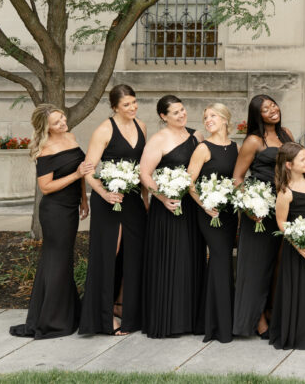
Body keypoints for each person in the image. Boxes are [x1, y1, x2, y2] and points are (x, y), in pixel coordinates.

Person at [10, 105, 92, 338]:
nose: (63, 123)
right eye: (57, 122)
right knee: (56, 262)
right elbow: (46, 187)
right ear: (46, 127)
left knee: (61, 261)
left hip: (70, 208)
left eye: (62, 118)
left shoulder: (71, 136)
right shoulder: (45, 148)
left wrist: (83, 200)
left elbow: (82, 169)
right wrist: (76, 175)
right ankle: (50, 321)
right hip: (55, 211)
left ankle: (62, 314)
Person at [79, 84, 147, 336]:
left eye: (134, 102)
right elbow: (88, 170)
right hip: (108, 201)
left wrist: (146, 199)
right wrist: (105, 193)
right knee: (110, 253)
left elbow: (141, 167)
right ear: (115, 107)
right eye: (126, 104)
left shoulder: (142, 126)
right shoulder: (104, 129)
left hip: (132, 200)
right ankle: (103, 317)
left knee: (133, 254)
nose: (132, 107)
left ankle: (125, 310)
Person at [139, 95, 205, 338]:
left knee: (190, 259)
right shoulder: (158, 140)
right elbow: (144, 174)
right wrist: (162, 197)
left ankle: (190, 319)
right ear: (163, 116)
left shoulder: (196, 136)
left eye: (183, 109)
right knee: (171, 261)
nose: (182, 114)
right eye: (175, 112)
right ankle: (169, 320)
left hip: (191, 207)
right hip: (167, 208)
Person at [232, 94, 293, 337]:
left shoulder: (286, 133)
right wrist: (249, 206)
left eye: (273, 104)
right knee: (258, 265)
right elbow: (237, 178)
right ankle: (256, 320)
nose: (272, 110)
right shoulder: (254, 141)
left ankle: (272, 311)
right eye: (265, 109)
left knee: (280, 263)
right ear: (258, 115)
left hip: (285, 206)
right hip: (260, 210)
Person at [187, 103, 239, 343]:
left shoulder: (235, 147)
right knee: (220, 261)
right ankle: (220, 327)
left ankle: (210, 321)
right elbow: (189, 183)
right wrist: (205, 205)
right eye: (205, 116)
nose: (208, 120)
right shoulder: (202, 148)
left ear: (225, 119)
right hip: (208, 214)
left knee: (223, 262)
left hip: (228, 214)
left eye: (213, 116)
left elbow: (236, 181)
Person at [269, 142, 305, 350]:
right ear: (288, 165)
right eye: (301, 159)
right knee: (299, 288)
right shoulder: (285, 192)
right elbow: (281, 222)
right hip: (297, 245)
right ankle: (297, 334)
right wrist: (298, 245)